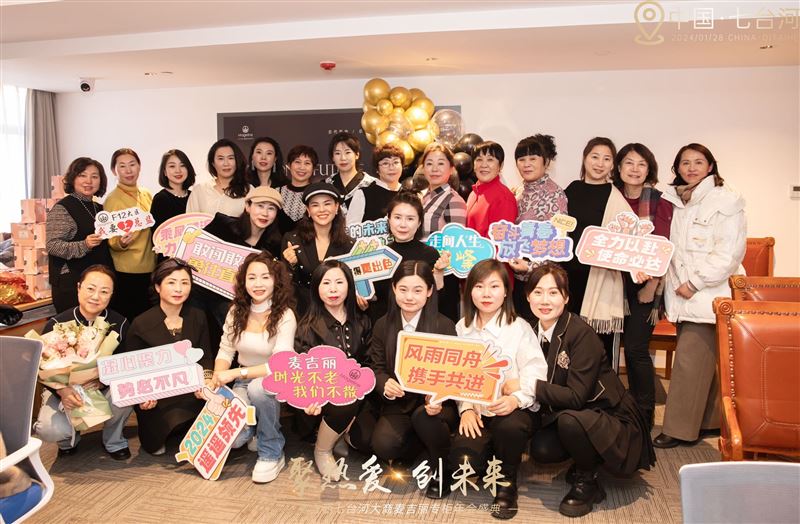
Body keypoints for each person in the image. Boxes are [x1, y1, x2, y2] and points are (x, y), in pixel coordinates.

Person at [526, 263, 655, 518]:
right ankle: (583, 459)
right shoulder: (530, 331)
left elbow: (576, 397)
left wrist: (528, 386)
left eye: (553, 293)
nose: (545, 300)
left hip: (609, 415)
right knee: (542, 449)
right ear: (528, 296)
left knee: (570, 423)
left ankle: (588, 480)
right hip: (572, 413)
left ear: (566, 297)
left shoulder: (581, 333)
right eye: (538, 292)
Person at [653, 143, 746, 449]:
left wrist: (694, 283)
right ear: (677, 168)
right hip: (681, 295)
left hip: (709, 293)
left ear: (710, 166)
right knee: (705, 360)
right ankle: (709, 421)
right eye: (685, 163)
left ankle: (678, 429)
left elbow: (729, 253)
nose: (691, 168)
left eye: (698, 162)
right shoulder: (676, 199)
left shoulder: (725, 200)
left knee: (689, 362)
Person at [451, 259, 547, 519]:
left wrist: (516, 399)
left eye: (494, 286)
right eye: (479, 286)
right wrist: (466, 409)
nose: (486, 294)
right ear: (469, 291)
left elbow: (536, 372)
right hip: (478, 411)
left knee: (509, 428)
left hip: (513, 410)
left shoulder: (519, 327)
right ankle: (492, 453)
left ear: (506, 291)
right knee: (464, 461)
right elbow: (456, 377)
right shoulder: (461, 328)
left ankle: (507, 483)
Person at [357, 261, 457, 495]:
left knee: (426, 419)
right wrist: (384, 383)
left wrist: (439, 397)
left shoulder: (444, 325)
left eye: (418, 290)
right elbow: (376, 367)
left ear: (430, 291)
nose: (409, 297)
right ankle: (418, 448)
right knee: (383, 445)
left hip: (435, 405)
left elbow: (454, 372)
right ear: (393, 289)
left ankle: (443, 468)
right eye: (403, 289)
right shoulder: (383, 324)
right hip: (399, 402)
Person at [212, 252, 297, 483]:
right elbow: (226, 350)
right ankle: (256, 429)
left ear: (275, 281)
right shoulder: (235, 311)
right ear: (243, 281)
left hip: (273, 381)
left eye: (265, 277)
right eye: (252, 278)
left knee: (258, 389)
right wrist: (217, 379)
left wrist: (235, 373)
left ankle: (271, 451)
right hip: (241, 381)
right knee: (235, 439)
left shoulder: (285, 315)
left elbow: (280, 365)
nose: (258, 284)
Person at [33, 265, 132, 460]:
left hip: (102, 387)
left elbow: (125, 364)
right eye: (90, 288)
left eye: (104, 291)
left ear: (111, 295)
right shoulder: (57, 323)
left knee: (127, 393)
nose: (96, 296)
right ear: (79, 288)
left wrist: (102, 381)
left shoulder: (120, 323)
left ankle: (114, 440)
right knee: (48, 428)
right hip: (64, 390)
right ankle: (67, 440)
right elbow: (42, 368)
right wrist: (63, 391)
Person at [611, 143, 673, 427]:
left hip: (645, 287)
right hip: (613, 282)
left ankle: (644, 413)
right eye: (629, 163)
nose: (634, 169)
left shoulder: (659, 201)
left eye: (641, 164)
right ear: (619, 167)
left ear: (649, 169)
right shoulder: (610, 196)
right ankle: (618, 410)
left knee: (635, 349)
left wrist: (652, 286)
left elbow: (663, 245)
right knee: (609, 349)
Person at [124, 258, 213, 456]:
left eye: (185, 283)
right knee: (163, 433)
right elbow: (133, 369)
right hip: (158, 397)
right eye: (171, 282)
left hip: (192, 391)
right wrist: (143, 395)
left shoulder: (197, 316)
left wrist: (206, 381)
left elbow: (206, 355)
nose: (178, 289)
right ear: (158, 287)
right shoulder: (141, 323)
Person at [295, 260, 372, 480]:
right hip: (321, 398)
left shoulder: (362, 321)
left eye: (339, 282)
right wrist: (311, 396)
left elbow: (369, 362)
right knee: (345, 399)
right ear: (316, 288)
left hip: (360, 394)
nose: (333, 289)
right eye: (326, 283)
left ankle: (340, 433)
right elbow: (302, 370)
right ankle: (322, 450)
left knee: (367, 441)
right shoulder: (307, 326)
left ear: (349, 285)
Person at [564, 137, 630, 362]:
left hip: (599, 277)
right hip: (568, 276)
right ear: (585, 158)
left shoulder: (615, 198)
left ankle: (602, 383)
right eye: (595, 157)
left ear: (613, 165)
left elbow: (630, 238)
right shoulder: (571, 189)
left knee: (597, 343)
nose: (600, 163)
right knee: (568, 339)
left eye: (607, 159)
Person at [509, 134, 568, 321]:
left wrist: (529, 266)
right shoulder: (519, 191)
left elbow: (559, 243)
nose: (526, 164)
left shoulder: (555, 195)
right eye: (521, 159)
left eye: (533, 159)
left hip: (541, 282)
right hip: (517, 280)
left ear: (546, 162)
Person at [45, 157, 113, 313]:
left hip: (98, 283)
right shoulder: (63, 208)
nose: (89, 181)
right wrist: (85, 245)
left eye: (94, 176)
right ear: (73, 178)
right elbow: (52, 245)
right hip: (72, 284)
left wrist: (121, 241)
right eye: (82, 175)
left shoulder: (99, 208)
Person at [369, 189, 448, 321]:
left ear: (419, 222)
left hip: (421, 325)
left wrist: (439, 273)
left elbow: (439, 302)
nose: (403, 224)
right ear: (389, 219)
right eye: (397, 217)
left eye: (410, 219)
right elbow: (374, 298)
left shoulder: (430, 254)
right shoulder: (378, 255)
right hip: (385, 325)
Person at [281, 183, 354, 317]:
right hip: (303, 313)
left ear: (336, 207)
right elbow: (286, 284)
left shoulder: (349, 244)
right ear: (308, 210)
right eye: (315, 205)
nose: (321, 210)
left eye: (327, 204)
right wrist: (291, 265)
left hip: (337, 313)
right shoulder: (293, 240)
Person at [104, 148, 158, 322]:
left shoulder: (146, 194)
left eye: (132, 164)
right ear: (114, 171)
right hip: (127, 271)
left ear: (139, 167)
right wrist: (121, 242)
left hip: (151, 266)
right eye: (122, 166)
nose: (128, 170)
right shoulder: (113, 199)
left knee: (149, 320)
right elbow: (110, 239)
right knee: (131, 320)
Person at [420, 142, 466, 322]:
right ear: (423, 168)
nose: (434, 169)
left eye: (441, 163)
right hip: (422, 273)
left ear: (451, 168)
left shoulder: (453, 199)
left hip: (444, 278)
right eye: (429, 163)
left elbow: (457, 245)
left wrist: (440, 271)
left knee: (440, 326)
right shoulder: (424, 197)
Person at [203, 185, 283, 256]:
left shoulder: (275, 245)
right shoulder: (222, 225)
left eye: (271, 208)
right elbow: (198, 245)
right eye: (260, 206)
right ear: (248, 207)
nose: (265, 213)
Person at [465, 141, 517, 238]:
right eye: (479, 159)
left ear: (500, 166)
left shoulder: (504, 198)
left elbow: (499, 242)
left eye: (490, 159)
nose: (484, 165)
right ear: (474, 165)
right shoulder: (473, 193)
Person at [186, 139, 250, 216]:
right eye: (221, 158)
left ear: (237, 161)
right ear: (213, 163)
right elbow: (190, 221)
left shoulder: (248, 190)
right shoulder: (199, 190)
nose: (226, 163)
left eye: (230, 158)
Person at [346, 144, 403, 225]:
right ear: (377, 169)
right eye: (385, 163)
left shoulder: (409, 194)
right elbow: (351, 228)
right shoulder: (364, 194)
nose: (391, 167)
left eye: (396, 162)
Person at [324, 131, 375, 212]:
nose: (343, 158)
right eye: (337, 153)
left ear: (357, 155)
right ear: (332, 157)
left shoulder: (372, 184)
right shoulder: (326, 185)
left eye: (347, 152)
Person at [150, 149, 197, 232]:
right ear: (164, 172)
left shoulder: (194, 196)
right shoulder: (160, 199)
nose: (178, 170)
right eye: (172, 166)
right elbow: (157, 235)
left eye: (182, 165)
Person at [278, 145, 319, 229]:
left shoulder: (317, 194)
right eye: (297, 162)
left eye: (307, 163)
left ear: (313, 168)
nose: (302, 167)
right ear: (289, 165)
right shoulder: (277, 192)